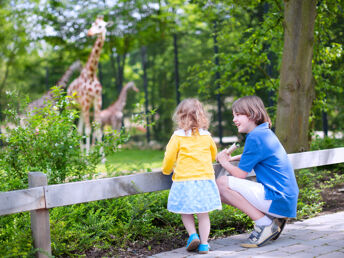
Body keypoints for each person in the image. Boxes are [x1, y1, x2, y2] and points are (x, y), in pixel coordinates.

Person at [216, 95, 299, 248]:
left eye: (238, 114)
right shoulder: (264, 133)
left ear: (252, 114)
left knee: (221, 183)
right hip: (285, 200)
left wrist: (223, 161)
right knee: (219, 193)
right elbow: (255, 154)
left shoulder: (255, 137)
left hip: (277, 199)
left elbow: (241, 174)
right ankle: (274, 219)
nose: (234, 119)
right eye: (233, 115)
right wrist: (232, 159)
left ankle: (265, 224)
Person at [162, 98, 222, 254]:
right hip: (204, 180)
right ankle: (203, 244)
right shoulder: (206, 136)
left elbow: (169, 158)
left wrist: (167, 170)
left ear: (180, 117)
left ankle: (192, 234)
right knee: (203, 214)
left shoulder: (177, 136)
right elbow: (213, 154)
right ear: (201, 116)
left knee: (185, 211)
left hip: (184, 181)